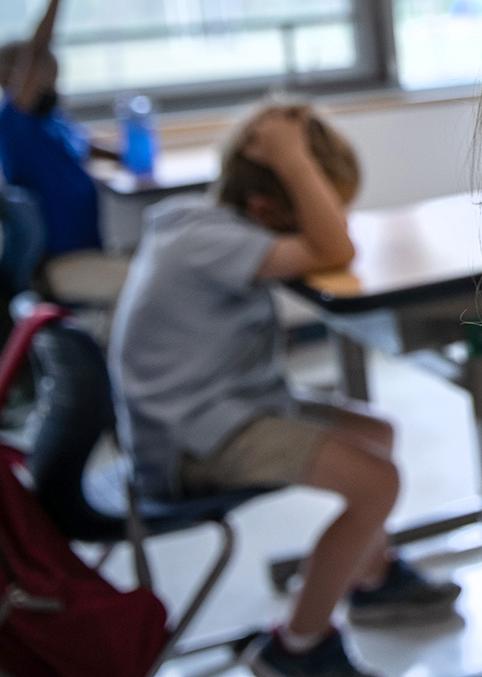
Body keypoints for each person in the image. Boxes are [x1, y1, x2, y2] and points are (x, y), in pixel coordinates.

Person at [109, 103, 460, 677]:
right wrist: (294, 157)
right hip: (192, 439)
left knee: (377, 432)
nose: (330, 220)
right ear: (265, 208)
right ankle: (296, 648)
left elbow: (326, 244)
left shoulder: (202, 222)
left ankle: (369, 580)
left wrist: (291, 156)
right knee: (378, 483)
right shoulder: (208, 240)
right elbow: (335, 251)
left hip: (222, 406)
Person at [0, 0, 129, 306]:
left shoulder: (52, 120)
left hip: (89, 250)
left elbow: (93, 149)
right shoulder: (9, 123)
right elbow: (38, 47)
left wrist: (126, 152)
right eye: (44, 69)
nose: (54, 74)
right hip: (59, 265)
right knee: (156, 282)